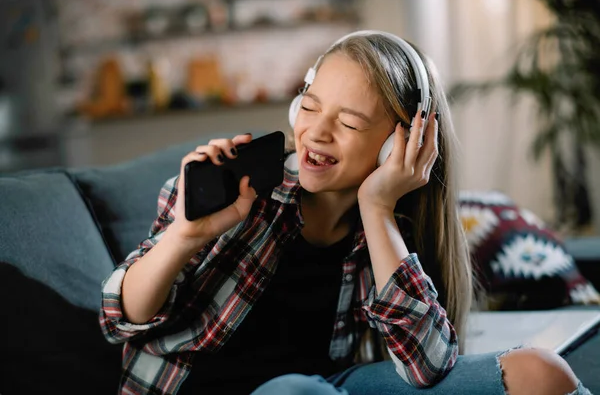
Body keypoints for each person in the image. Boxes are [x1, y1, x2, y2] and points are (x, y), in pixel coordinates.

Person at [99, 31, 590, 395]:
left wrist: (376, 208)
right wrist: (185, 234)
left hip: (322, 387)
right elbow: (119, 318)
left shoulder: (387, 227)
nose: (317, 132)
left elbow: (429, 367)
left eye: (350, 122)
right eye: (309, 107)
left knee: (539, 372)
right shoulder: (236, 189)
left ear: (400, 145)